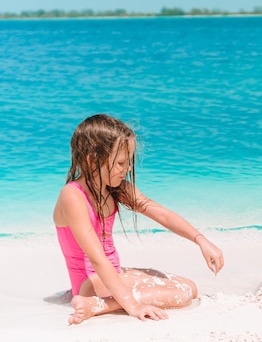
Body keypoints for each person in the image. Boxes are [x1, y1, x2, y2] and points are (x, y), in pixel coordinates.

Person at [53, 114, 224, 325]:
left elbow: (160, 213)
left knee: (190, 287)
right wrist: (133, 306)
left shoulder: (116, 189)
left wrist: (201, 240)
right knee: (182, 294)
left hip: (111, 275)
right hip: (89, 283)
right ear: (93, 159)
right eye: (122, 163)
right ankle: (97, 305)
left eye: (129, 162)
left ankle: (108, 301)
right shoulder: (73, 196)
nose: (128, 169)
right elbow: (97, 258)